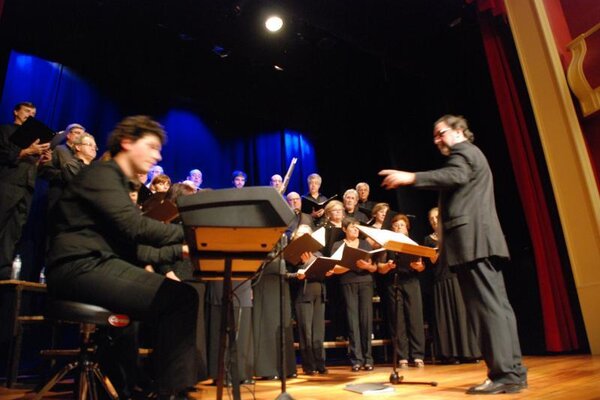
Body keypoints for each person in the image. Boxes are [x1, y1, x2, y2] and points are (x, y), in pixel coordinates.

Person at [46, 115, 199, 399]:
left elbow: (132, 248)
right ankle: (170, 392)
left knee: (174, 298)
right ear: (127, 142)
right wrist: (193, 235)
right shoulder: (101, 174)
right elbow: (136, 227)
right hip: (78, 268)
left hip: (93, 265)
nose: (158, 155)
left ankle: (136, 386)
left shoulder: (115, 182)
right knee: (181, 298)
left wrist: (179, 250)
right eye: (152, 146)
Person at [379, 114, 527, 394]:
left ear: (459, 131)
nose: (437, 140)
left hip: (473, 243)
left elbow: (453, 175)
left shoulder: (464, 153)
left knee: (487, 310)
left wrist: (411, 177)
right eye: (434, 135)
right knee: (498, 308)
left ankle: (504, 374)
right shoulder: (472, 154)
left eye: (441, 133)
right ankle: (513, 371)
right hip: (481, 242)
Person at [0, 101, 51, 279]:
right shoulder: (5, 130)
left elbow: (33, 167)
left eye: (33, 114)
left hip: (26, 188)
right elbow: (4, 155)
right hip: (7, 184)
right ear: (16, 112)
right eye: (27, 111)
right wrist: (27, 151)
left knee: (14, 232)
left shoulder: (34, 138)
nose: (30, 115)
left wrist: (41, 161)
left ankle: (4, 274)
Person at [424, 207, 481, 364]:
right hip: (440, 280)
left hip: (456, 277)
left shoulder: (452, 234)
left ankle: (468, 352)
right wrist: (436, 251)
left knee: (461, 315)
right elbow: (432, 261)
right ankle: (450, 354)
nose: (434, 221)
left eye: (436, 217)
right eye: (431, 219)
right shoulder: (428, 240)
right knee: (446, 318)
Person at [330, 217, 378, 372]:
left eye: (357, 227)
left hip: (365, 282)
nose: (356, 230)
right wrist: (350, 265)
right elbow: (334, 268)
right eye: (352, 227)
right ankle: (356, 359)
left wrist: (366, 266)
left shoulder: (365, 244)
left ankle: (368, 358)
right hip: (348, 282)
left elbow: (374, 268)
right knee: (352, 320)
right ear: (344, 229)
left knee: (366, 319)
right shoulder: (338, 245)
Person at [378, 214, 426, 369]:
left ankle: (418, 355)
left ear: (407, 229)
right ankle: (402, 356)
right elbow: (380, 267)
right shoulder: (387, 245)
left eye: (402, 225)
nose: (399, 228)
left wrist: (418, 267)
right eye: (396, 225)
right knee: (397, 319)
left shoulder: (413, 244)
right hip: (394, 282)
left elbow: (421, 266)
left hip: (411, 281)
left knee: (415, 318)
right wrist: (387, 266)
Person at [39, 123, 85, 210]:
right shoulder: (59, 149)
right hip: (58, 194)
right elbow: (45, 171)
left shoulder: (81, 154)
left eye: (82, 134)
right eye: (77, 133)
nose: (80, 136)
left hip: (73, 197)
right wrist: (64, 174)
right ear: (68, 135)